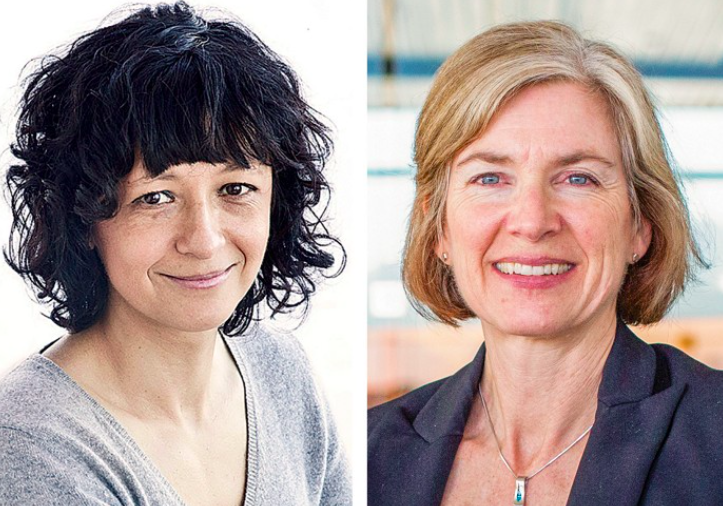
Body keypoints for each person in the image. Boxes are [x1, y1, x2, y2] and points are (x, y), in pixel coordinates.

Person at [0, 2, 350, 505]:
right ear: (83, 216)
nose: (204, 240)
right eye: (156, 197)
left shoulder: (280, 371)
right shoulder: (32, 447)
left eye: (236, 189)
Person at [368, 20, 722, 505]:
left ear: (641, 224)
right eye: (490, 178)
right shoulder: (367, 454)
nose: (532, 222)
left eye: (578, 178)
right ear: (440, 229)